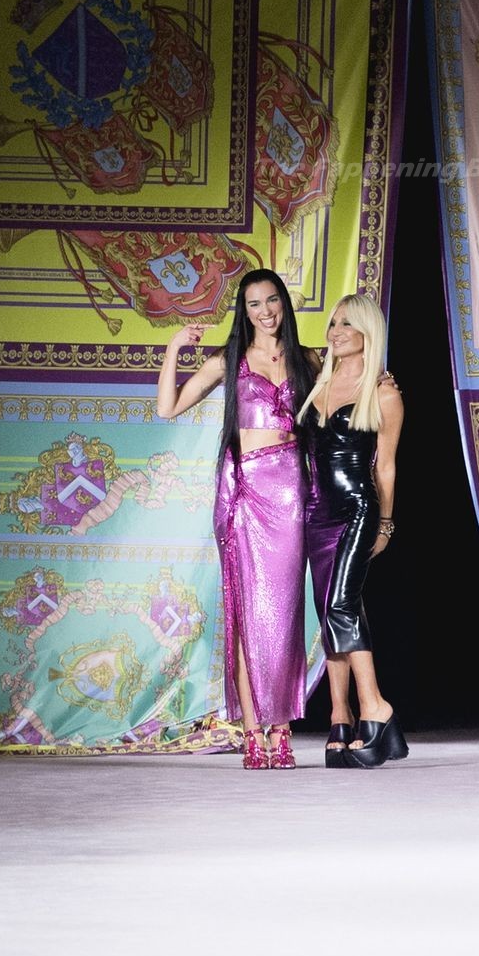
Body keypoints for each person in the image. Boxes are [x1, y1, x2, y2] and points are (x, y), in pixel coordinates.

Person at [157, 270, 318, 770]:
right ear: (243, 311)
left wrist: (380, 380)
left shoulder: (308, 359)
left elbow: (349, 392)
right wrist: (174, 348)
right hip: (247, 493)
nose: (265, 311)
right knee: (248, 615)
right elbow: (168, 407)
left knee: (284, 615)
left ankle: (282, 728)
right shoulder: (229, 360)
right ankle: (253, 731)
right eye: (254, 304)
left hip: (291, 494)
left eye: (272, 301)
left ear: (283, 304)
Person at [297, 294, 406, 769]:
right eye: (333, 323)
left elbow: (386, 467)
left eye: (347, 324)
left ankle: (376, 709)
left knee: (341, 605)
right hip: (315, 512)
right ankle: (340, 717)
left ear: (367, 331)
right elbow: (278, 344)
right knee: (333, 612)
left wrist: (386, 523)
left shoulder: (383, 392)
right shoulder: (316, 377)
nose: (336, 331)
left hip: (358, 510)